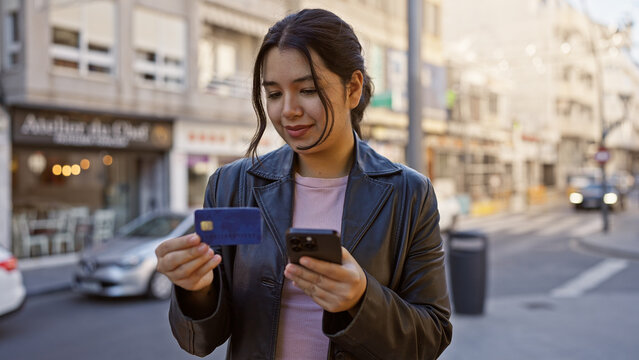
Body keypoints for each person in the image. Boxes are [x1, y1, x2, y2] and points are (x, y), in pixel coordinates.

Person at [155, 8, 452, 360]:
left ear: (353, 88)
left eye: (307, 90)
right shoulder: (231, 184)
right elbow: (200, 341)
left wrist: (362, 299)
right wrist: (196, 289)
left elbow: (431, 336)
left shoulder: (409, 194)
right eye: (275, 94)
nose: (288, 111)